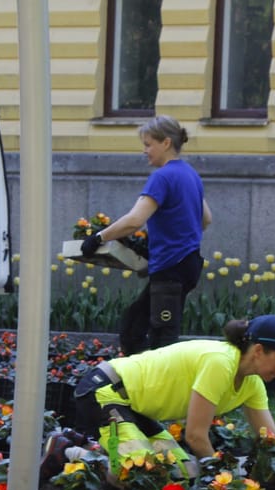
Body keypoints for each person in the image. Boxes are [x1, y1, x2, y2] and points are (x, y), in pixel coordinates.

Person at [43, 315, 275, 481]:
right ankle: (68, 451)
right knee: (139, 475)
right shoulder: (220, 363)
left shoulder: (252, 384)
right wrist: (221, 476)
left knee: (181, 472)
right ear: (258, 350)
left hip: (137, 409)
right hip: (105, 391)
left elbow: (270, 440)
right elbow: (195, 436)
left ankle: (86, 444)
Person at [79, 115, 212, 355]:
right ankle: (141, 381)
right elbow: (206, 219)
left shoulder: (162, 177)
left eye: (148, 144)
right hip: (188, 264)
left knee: (162, 337)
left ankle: (160, 387)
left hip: (171, 269)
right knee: (134, 324)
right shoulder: (190, 174)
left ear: (166, 143)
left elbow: (134, 220)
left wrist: (98, 237)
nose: (145, 150)